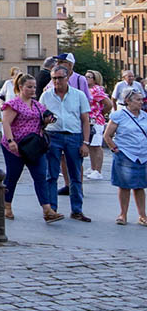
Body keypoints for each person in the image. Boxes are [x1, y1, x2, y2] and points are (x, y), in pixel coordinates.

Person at [0, 74, 65, 223]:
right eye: (29, 87)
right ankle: (7, 205)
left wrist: (47, 120)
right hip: (15, 146)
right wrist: (11, 141)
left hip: (33, 147)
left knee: (40, 175)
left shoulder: (37, 105)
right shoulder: (14, 104)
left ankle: (47, 209)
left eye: (34, 87)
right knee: (13, 176)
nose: (32, 89)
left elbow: (42, 122)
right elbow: (6, 122)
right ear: (21, 87)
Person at [40, 64, 92, 222]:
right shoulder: (46, 96)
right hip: (53, 135)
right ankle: (52, 210)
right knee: (51, 175)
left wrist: (85, 143)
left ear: (68, 77)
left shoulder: (78, 95)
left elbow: (85, 120)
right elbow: (40, 119)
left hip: (73, 136)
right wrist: (45, 122)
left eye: (60, 78)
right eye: (54, 78)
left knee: (75, 175)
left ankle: (77, 210)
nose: (57, 81)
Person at [103, 90, 147, 226]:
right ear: (128, 101)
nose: (141, 102)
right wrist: (115, 149)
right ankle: (123, 214)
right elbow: (107, 135)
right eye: (138, 100)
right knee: (124, 186)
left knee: (140, 187)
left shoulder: (145, 116)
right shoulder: (118, 115)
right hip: (126, 154)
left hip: (142, 156)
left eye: (142, 100)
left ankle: (142, 215)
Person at [85, 70, 113, 180]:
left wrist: (100, 113)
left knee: (96, 146)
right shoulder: (88, 90)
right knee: (92, 145)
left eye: (89, 77)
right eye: (86, 76)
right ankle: (93, 168)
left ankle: (98, 170)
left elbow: (108, 104)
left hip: (96, 120)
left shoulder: (96, 90)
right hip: (89, 120)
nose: (86, 78)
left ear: (95, 79)